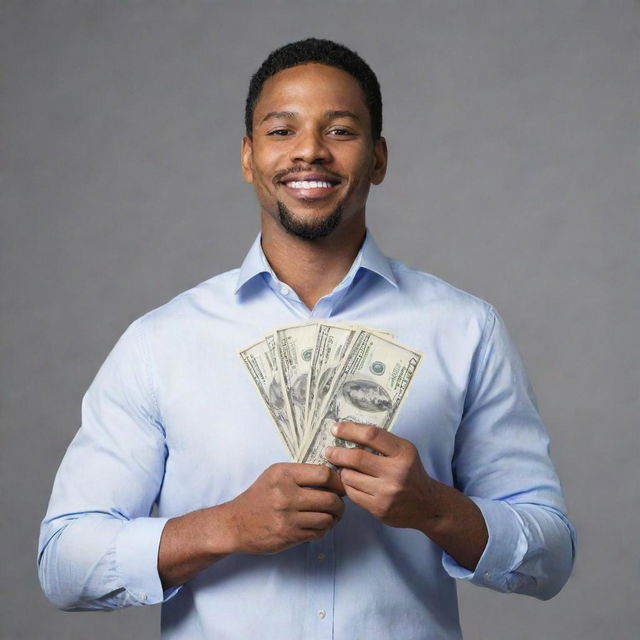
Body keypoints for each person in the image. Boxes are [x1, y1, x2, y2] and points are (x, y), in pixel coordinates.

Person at [38, 38, 576, 639]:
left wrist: (433, 507)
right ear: (248, 157)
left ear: (378, 159)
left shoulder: (466, 330)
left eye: (341, 131)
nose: (310, 152)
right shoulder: (160, 342)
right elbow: (64, 564)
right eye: (281, 131)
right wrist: (226, 526)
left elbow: (551, 557)